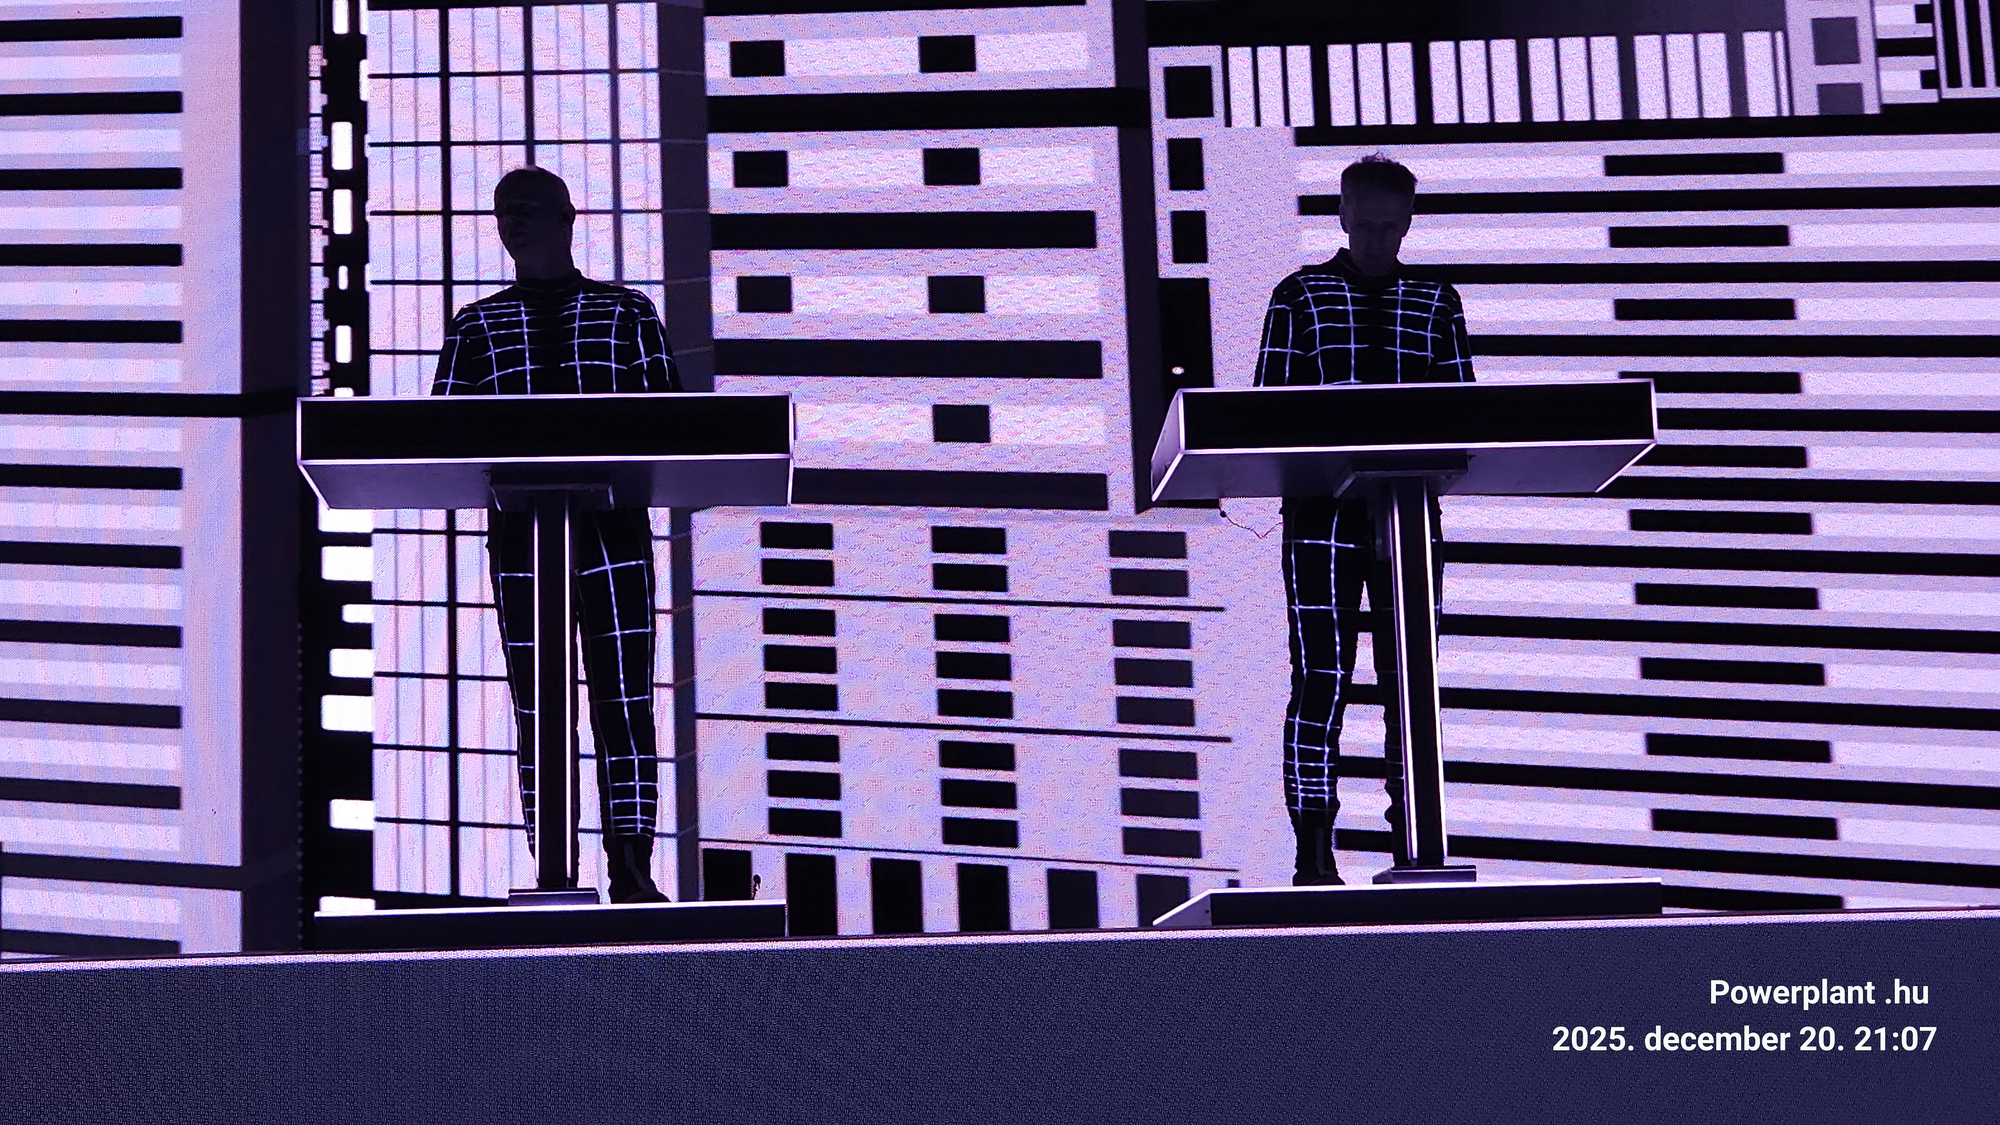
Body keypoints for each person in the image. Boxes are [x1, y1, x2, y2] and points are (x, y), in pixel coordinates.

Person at [432, 166, 681, 903]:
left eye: (529, 207)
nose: (513, 220)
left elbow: (674, 421)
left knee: (624, 698)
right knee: (537, 707)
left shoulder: (626, 311)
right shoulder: (474, 326)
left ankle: (630, 865)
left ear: (569, 217)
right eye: (503, 209)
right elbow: (434, 436)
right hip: (521, 541)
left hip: (614, 533)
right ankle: (554, 869)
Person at [1252, 153, 1476, 886]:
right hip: (1320, 517)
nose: (1377, 237)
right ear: (1342, 215)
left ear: (1408, 222)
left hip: (1408, 517)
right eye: (1366, 223)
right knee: (1322, 676)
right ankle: (1313, 853)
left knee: (1413, 681)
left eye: (1390, 225)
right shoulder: (1299, 296)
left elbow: (1465, 414)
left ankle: (1414, 837)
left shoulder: (1437, 300)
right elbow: (1263, 414)